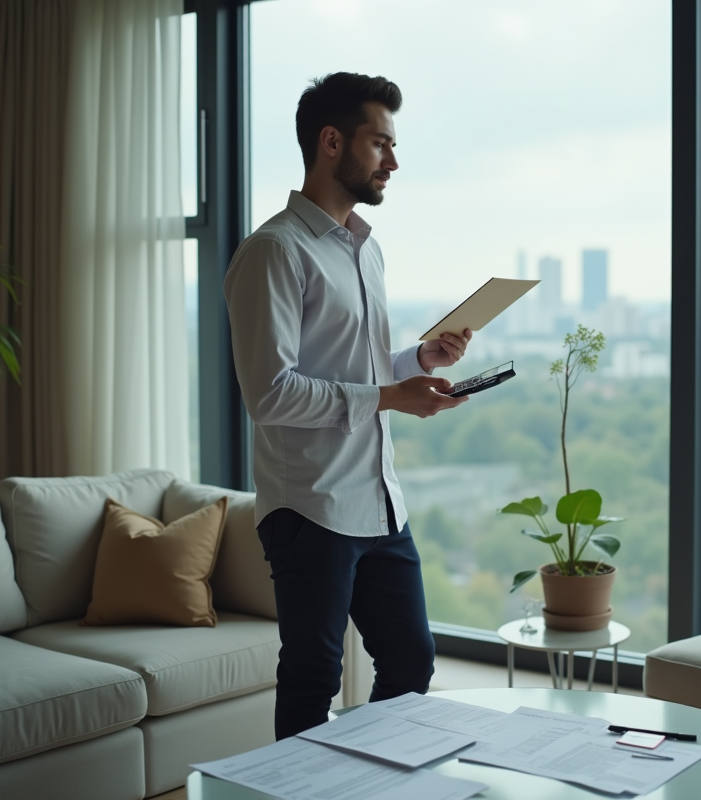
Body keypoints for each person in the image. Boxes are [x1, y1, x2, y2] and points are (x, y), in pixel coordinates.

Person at [223, 72, 471, 739]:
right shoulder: (273, 252)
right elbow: (270, 393)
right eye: (380, 144)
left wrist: (419, 363)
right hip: (311, 506)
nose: (393, 161)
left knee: (411, 661)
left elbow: (353, 372)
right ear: (332, 142)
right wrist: (391, 396)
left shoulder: (366, 250)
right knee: (312, 676)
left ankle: (371, 783)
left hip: (378, 499)